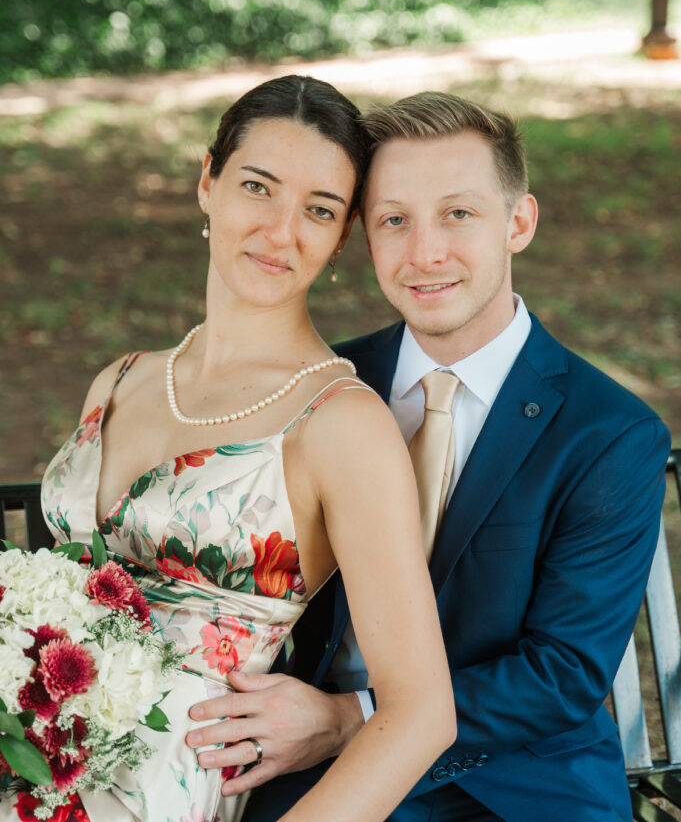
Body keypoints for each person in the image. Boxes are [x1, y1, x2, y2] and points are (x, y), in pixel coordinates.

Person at [187, 91, 671, 822]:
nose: (424, 253)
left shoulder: (607, 432)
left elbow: (563, 675)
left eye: (458, 214)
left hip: (516, 788)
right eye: (393, 220)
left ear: (518, 222)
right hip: (302, 772)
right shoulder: (320, 388)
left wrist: (350, 718)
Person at [5, 77, 455, 822]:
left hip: (159, 793)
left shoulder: (340, 423)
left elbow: (419, 715)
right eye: (257, 187)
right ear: (206, 181)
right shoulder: (120, 380)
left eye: (318, 210)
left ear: (341, 235)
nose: (282, 232)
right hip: (29, 754)